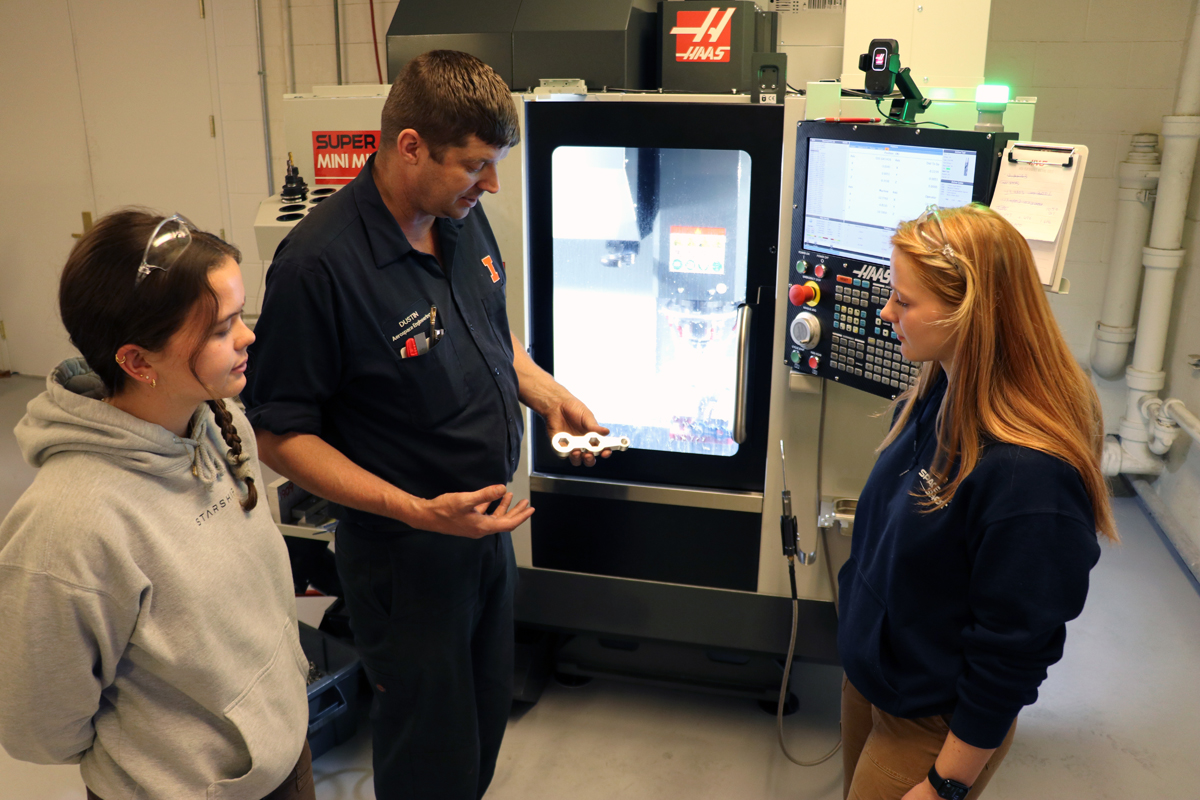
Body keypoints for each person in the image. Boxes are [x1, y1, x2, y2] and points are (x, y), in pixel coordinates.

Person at [241, 50, 608, 799]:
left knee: (480, 727)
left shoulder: (461, 220)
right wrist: (415, 510)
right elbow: (280, 437)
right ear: (410, 146)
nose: (492, 184)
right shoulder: (319, 266)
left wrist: (545, 393)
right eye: (476, 165)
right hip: (404, 563)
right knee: (426, 753)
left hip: (484, 537)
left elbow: (491, 335)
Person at [0, 210, 313, 800]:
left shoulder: (221, 425)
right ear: (138, 362)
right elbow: (37, 726)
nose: (247, 336)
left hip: (281, 756)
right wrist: (168, 758)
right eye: (221, 330)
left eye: (239, 315)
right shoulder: (69, 524)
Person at [837, 203, 1117, 800]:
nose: (887, 313)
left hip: (931, 720)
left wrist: (945, 784)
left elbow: (1014, 648)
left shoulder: (1030, 476)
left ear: (974, 313)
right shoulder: (937, 390)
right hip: (878, 675)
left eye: (904, 302)